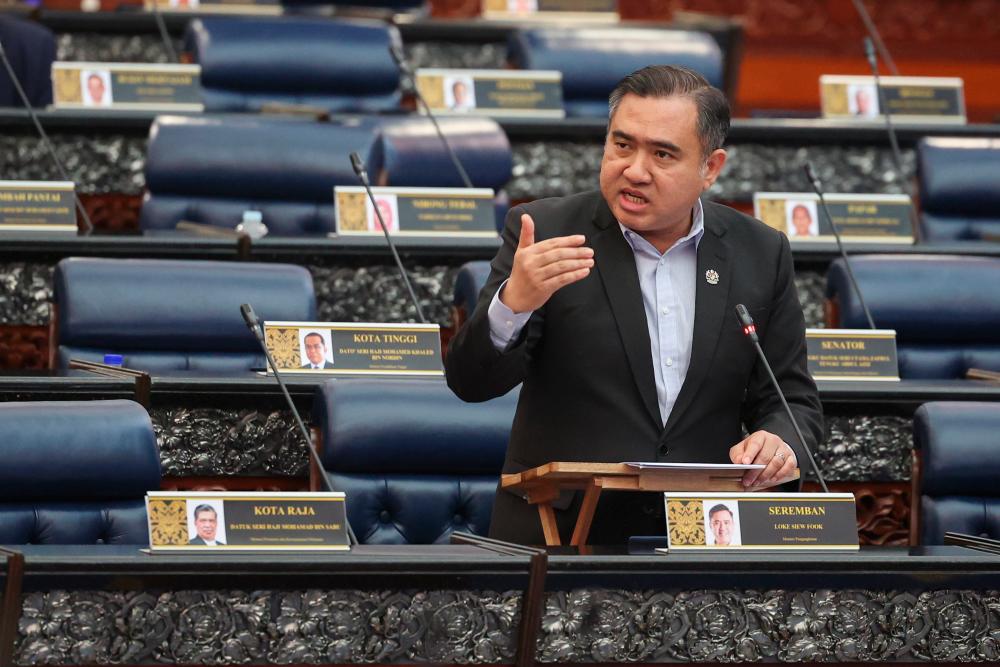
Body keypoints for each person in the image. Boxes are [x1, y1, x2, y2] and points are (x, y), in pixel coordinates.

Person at [446, 65, 822, 545]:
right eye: (622, 145)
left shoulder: (760, 252)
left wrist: (780, 440)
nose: (635, 170)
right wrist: (513, 305)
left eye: (662, 154)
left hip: (702, 540)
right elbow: (470, 383)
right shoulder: (546, 231)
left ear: (710, 168)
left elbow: (791, 399)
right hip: (561, 536)